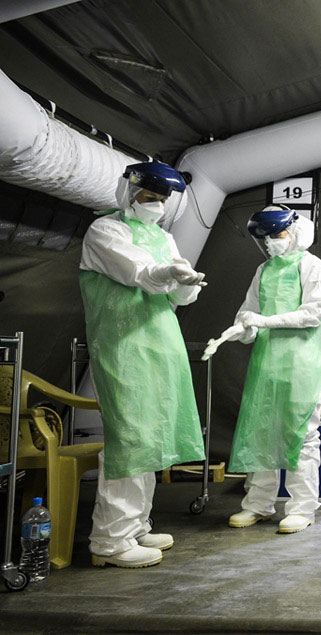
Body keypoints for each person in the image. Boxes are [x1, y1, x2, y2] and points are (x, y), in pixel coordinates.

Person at [80, 161, 207, 568]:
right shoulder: (105, 230)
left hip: (161, 344)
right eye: (148, 197)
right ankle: (110, 541)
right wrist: (167, 272)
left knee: (152, 436)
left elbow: (176, 295)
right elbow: (137, 271)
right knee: (130, 438)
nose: (155, 205)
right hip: (123, 345)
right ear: (128, 193)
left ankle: (135, 525)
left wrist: (185, 283)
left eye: (161, 200)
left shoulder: (164, 238)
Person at [213, 206, 321, 534]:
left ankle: (302, 507)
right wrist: (244, 329)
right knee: (260, 432)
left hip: (301, 364)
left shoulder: (312, 267)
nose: (272, 243)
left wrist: (265, 321)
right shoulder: (264, 271)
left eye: (278, 235)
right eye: (266, 238)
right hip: (265, 365)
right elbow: (249, 311)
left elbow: (313, 313)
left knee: (301, 436)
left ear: (295, 231)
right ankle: (258, 504)